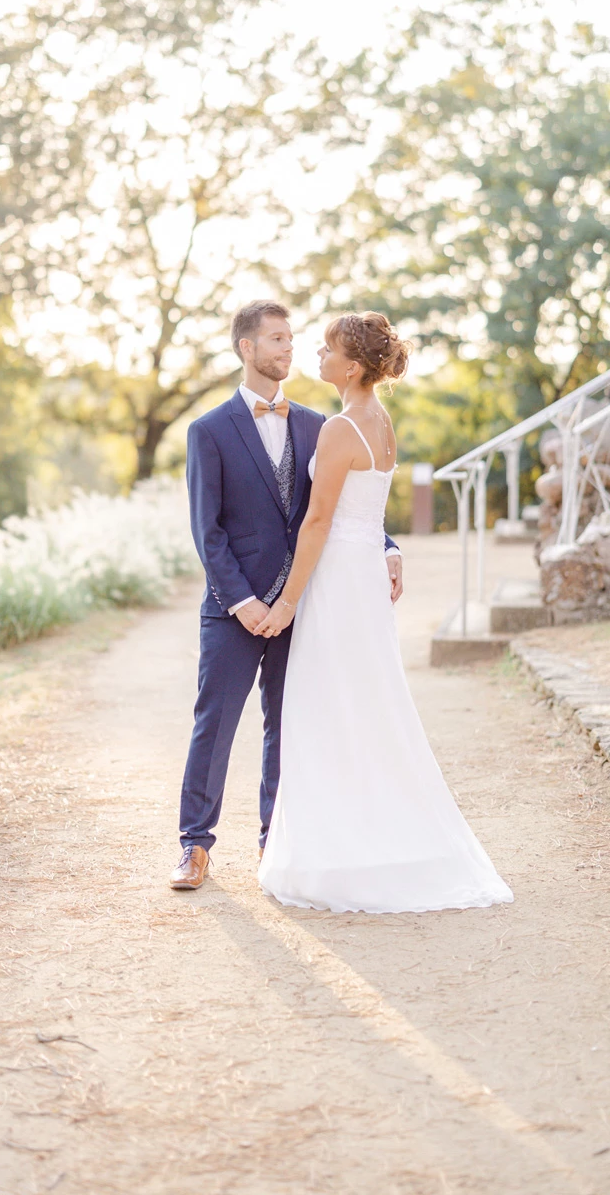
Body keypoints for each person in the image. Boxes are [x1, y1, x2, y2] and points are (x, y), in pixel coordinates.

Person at [255, 311, 513, 915]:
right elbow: (366, 513)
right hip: (365, 570)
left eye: (325, 349)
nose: (315, 356)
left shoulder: (341, 429)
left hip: (340, 578)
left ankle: (341, 847)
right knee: (367, 699)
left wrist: (289, 599)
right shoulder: (382, 421)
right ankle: (376, 835)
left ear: (350, 366)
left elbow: (319, 521)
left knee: (327, 702)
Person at [171, 301, 403, 890]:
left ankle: (274, 843)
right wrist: (242, 601)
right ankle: (194, 846)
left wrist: (389, 545)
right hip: (235, 609)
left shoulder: (318, 424)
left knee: (287, 724)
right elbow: (208, 530)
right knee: (214, 724)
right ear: (246, 348)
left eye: (292, 338)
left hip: (304, 604)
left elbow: (343, 504)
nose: (289, 348)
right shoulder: (208, 432)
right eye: (276, 339)